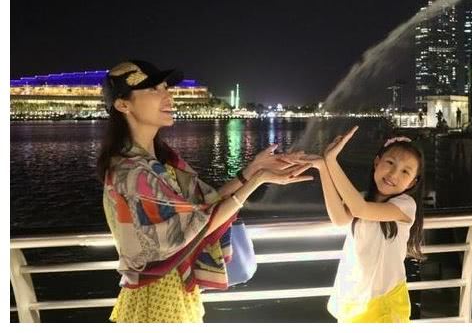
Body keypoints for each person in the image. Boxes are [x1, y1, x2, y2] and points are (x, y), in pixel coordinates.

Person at [97, 60, 312, 323]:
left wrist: (252, 171)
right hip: (154, 299)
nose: (168, 96)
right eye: (153, 89)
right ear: (123, 105)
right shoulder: (129, 172)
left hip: (179, 291)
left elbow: (203, 208)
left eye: (166, 88)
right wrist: (256, 181)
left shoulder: (162, 163)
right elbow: (191, 230)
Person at [299, 126, 425, 322]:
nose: (393, 174)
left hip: (385, 303)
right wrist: (324, 167)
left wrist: (332, 162)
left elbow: (360, 210)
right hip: (354, 300)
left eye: (405, 172)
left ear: (411, 183)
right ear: (376, 162)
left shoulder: (406, 205)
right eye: (390, 162)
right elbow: (340, 218)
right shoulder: (362, 198)